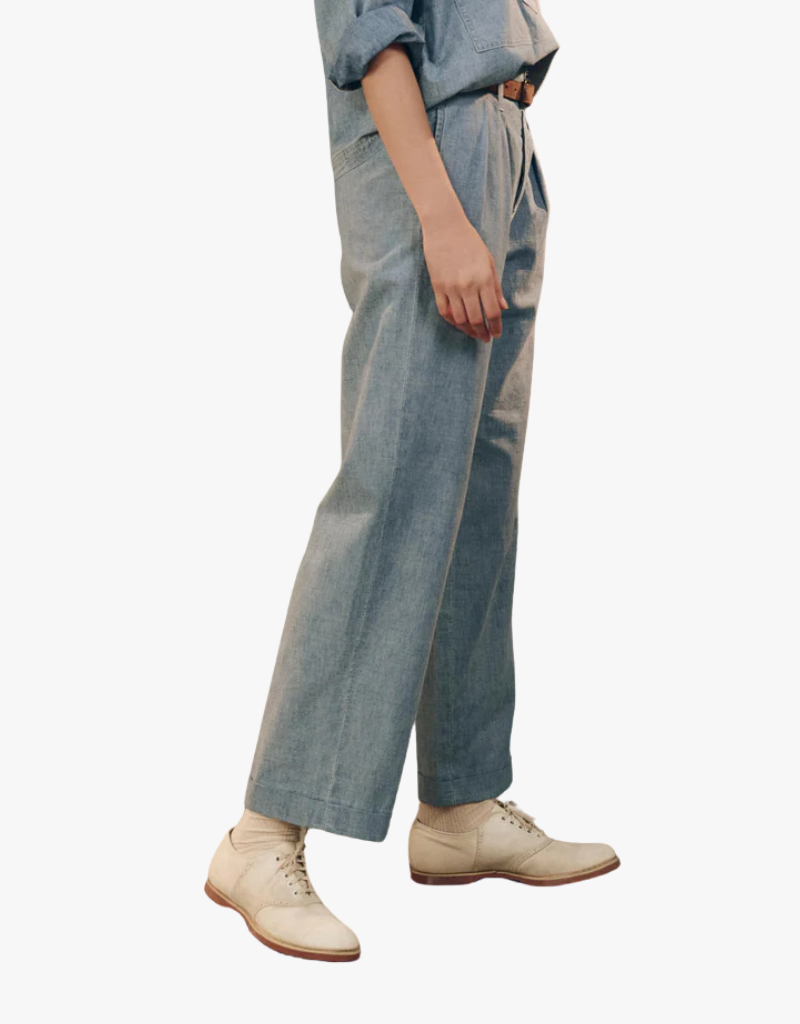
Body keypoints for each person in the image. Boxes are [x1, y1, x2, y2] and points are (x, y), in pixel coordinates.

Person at [205, 0, 619, 963]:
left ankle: (460, 804)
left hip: (504, 140)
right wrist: (440, 213)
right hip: (430, 154)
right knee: (393, 490)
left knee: (478, 494)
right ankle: (262, 836)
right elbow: (371, 28)